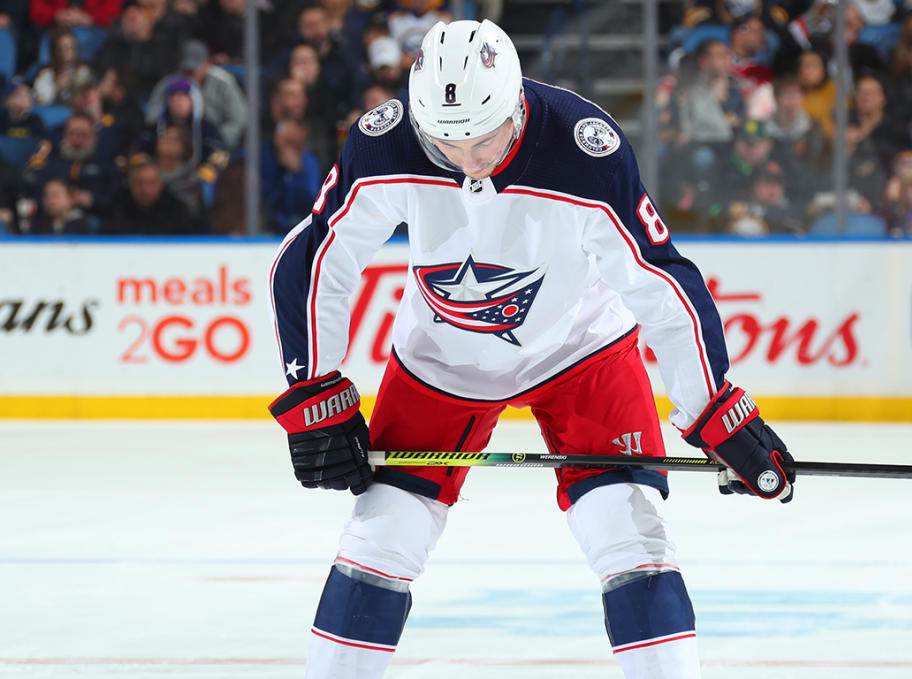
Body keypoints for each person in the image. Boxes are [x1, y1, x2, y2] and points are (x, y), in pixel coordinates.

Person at [267, 19, 795, 679]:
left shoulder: (584, 150)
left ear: (516, 105)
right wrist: (313, 388)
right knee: (380, 536)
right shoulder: (386, 141)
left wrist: (715, 411)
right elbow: (317, 255)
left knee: (628, 530)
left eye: (482, 140)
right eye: (445, 143)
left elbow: (659, 283)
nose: (467, 161)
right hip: (440, 360)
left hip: (583, 351)